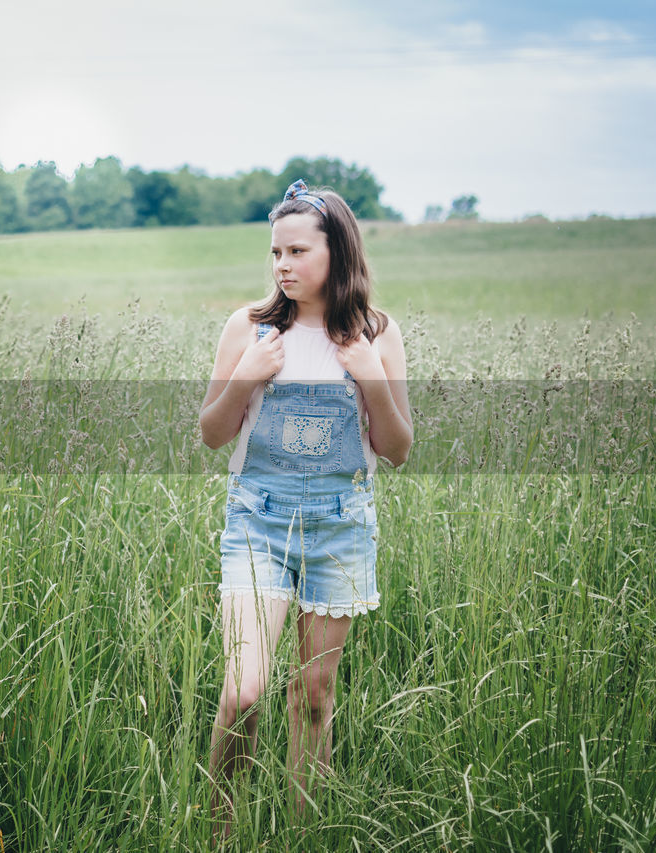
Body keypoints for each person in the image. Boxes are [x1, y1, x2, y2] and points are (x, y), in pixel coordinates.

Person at [198, 179, 413, 834]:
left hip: (340, 524)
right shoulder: (252, 327)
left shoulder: (377, 332)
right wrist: (247, 376)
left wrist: (371, 374)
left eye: (296, 251)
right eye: (275, 252)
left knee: (315, 695)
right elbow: (212, 431)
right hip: (260, 519)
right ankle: (218, 829)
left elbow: (397, 447)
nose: (282, 265)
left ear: (337, 251)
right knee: (244, 691)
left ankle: (305, 827)